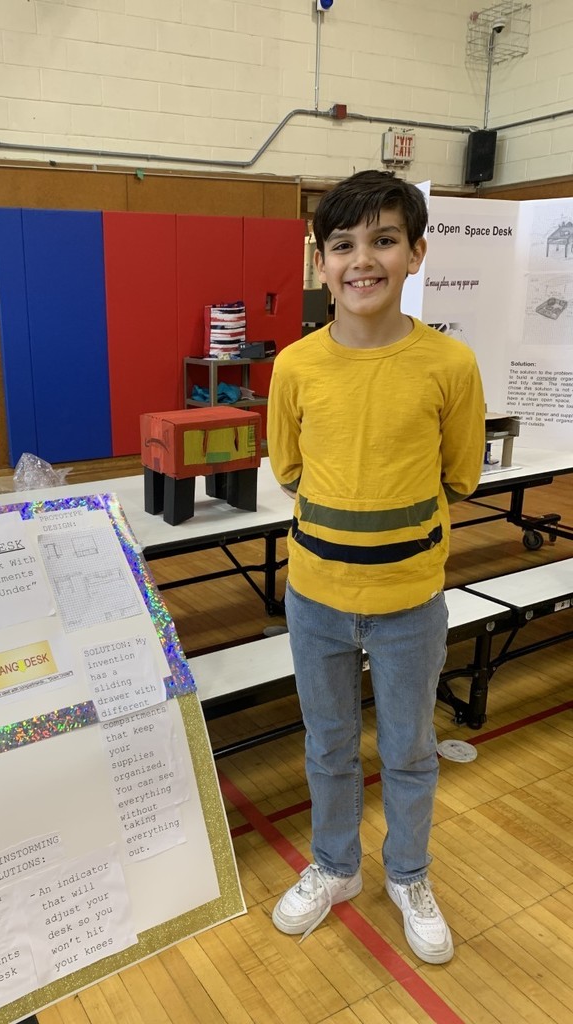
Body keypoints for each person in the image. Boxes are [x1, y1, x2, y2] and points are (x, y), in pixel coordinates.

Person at [267, 169, 485, 964]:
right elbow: (290, 470)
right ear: (319, 260)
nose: (364, 260)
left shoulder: (450, 365)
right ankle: (334, 866)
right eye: (344, 244)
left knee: (409, 750)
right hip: (316, 597)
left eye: (385, 240)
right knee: (327, 745)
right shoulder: (294, 366)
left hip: (409, 602)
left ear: (416, 252)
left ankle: (408, 874)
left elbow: (459, 474)